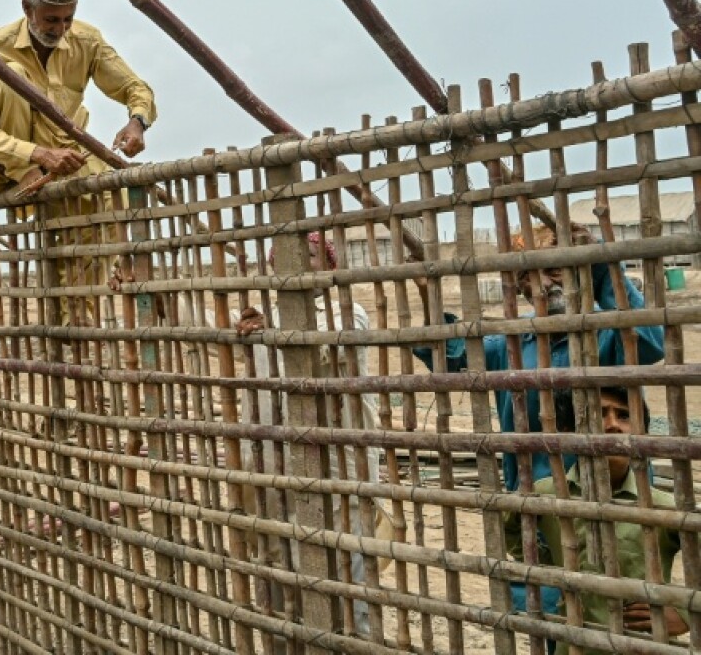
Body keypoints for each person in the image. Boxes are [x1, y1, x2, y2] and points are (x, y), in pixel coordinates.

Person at [411, 224, 665, 618]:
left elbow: (650, 343)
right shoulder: (508, 345)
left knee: (617, 620)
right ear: (522, 287)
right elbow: (447, 354)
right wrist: (429, 294)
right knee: (547, 620)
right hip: (539, 516)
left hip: (615, 510)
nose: (547, 284)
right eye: (533, 275)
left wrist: (602, 264)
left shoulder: (608, 333)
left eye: (557, 270)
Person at [234, 233, 391, 636]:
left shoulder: (347, 313)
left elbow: (325, 349)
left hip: (337, 466)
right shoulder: (259, 318)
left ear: (330, 266)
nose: (300, 262)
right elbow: (202, 323)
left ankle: (354, 640)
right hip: (274, 465)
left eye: (311, 255)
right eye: (290, 256)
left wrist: (277, 328)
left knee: (346, 563)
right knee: (278, 561)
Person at [512, 387, 687, 652]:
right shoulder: (545, 494)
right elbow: (509, 525)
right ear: (570, 432)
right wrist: (549, 566)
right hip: (573, 646)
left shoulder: (663, 508)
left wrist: (687, 613)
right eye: (599, 414)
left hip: (642, 646)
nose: (613, 424)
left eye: (624, 416)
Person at [0, 0, 156, 194]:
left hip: (68, 155)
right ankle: (24, 171)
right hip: (9, 162)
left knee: (115, 200)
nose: (60, 29)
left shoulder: (87, 40)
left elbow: (135, 88)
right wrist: (37, 155)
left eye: (68, 19)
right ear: (27, 9)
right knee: (12, 74)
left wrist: (137, 123)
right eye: (51, 20)